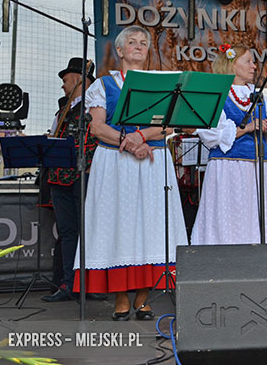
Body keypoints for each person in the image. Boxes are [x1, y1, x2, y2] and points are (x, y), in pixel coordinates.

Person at [75, 25, 188, 321]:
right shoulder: (102, 85)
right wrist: (129, 142)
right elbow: (97, 126)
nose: (138, 46)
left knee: (152, 226)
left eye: (143, 43)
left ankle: (143, 298)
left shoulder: (163, 84)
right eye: (132, 42)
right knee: (119, 226)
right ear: (121, 51)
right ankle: (121, 297)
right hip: (115, 161)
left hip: (153, 161)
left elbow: (169, 124)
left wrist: (140, 137)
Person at [192, 44, 267, 245]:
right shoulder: (216, 95)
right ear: (232, 65)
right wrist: (249, 127)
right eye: (248, 61)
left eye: (254, 62)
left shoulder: (261, 99)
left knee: (260, 218)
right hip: (229, 168)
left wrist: (265, 130)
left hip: (260, 168)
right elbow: (212, 135)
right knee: (230, 217)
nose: (254, 66)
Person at [41, 58, 100, 302]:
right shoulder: (62, 110)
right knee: (68, 231)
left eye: (65, 81)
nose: (63, 86)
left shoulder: (94, 105)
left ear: (78, 78)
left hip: (85, 176)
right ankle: (68, 282)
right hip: (59, 178)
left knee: (90, 231)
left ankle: (91, 284)